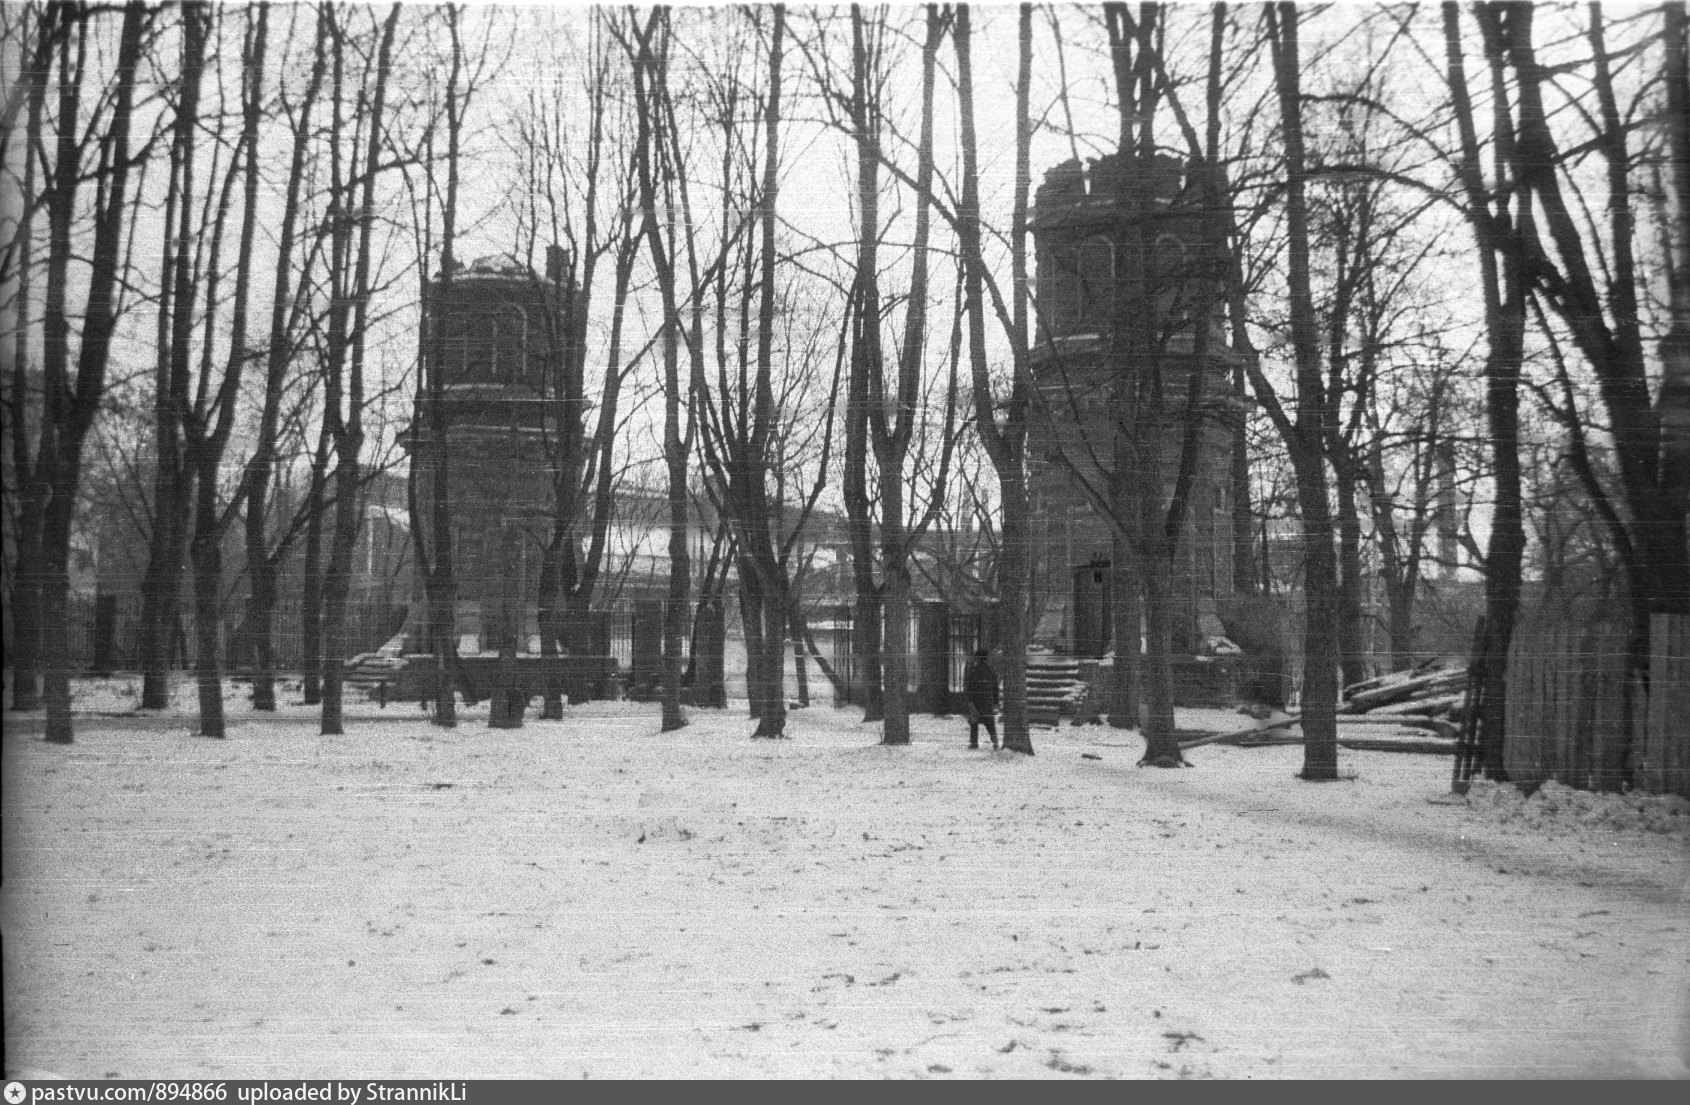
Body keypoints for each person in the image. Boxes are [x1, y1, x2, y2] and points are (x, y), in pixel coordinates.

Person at [962, 647, 1000, 750]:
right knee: (990, 722)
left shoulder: (973, 670)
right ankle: (995, 741)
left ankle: (974, 743)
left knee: (974, 722)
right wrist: (996, 702)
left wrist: (970, 701)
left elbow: (969, 686)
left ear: (977, 658)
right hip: (987, 700)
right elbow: (995, 687)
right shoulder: (990, 670)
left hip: (976, 699)